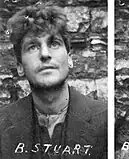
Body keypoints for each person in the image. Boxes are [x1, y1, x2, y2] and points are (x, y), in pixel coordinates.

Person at [0, 3, 107, 159]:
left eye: (54, 44)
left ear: (69, 58)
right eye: (33, 47)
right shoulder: (2, 125)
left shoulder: (106, 121)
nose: (45, 54)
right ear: (20, 67)